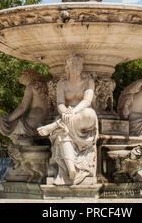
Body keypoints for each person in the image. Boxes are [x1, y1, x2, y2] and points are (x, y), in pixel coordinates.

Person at [38, 54, 98, 185]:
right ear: (68, 67)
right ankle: (71, 170)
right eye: (73, 65)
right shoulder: (62, 84)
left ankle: (54, 126)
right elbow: (60, 103)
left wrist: (73, 112)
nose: (77, 67)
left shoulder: (88, 81)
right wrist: (65, 111)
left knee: (89, 114)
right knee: (62, 134)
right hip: (67, 117)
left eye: (79, 64)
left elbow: (87, 101)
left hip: (82, 115)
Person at [0, 69, 48, 144]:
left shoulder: (30, 86)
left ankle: (24, 147)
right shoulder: (47, 85)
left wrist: (8, 118)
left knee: (11, 125)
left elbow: (23, 107)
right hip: (46, 120)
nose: (25, 84)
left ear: (28, 77)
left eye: (24, 82)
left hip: (33, 123)